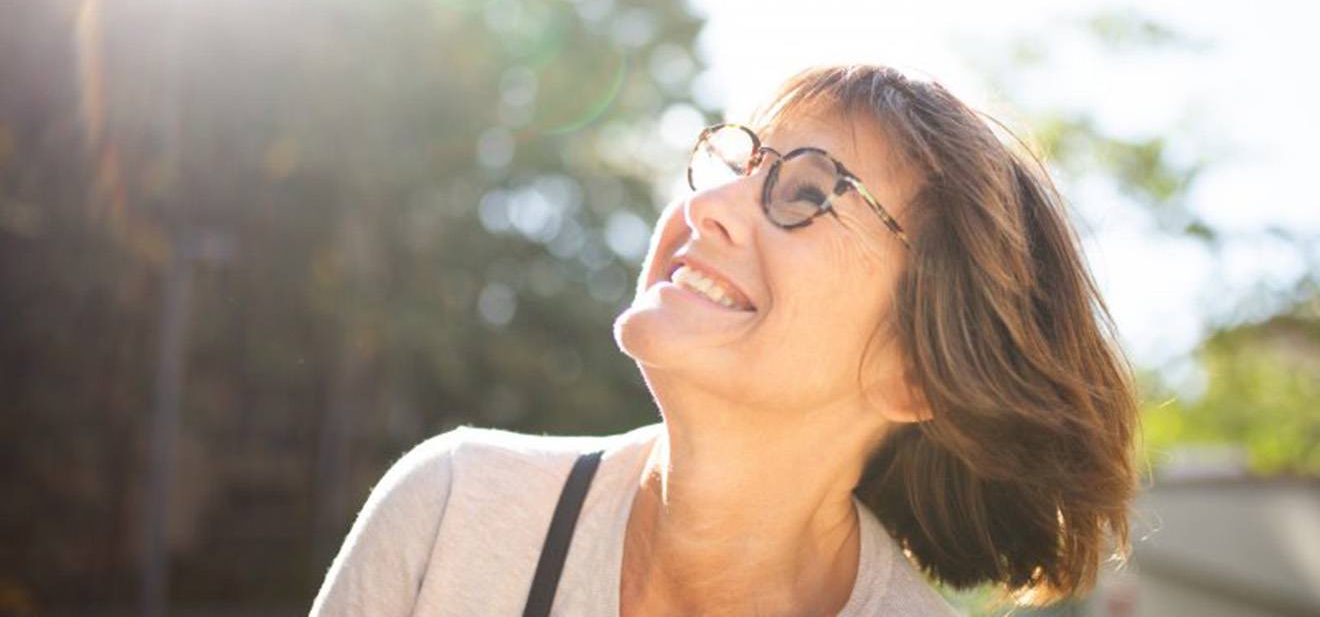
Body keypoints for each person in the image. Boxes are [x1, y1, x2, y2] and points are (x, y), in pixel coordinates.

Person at [310, 64, 1139, 616]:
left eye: (810, 192)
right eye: (736, 163)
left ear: (917, 374)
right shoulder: (454, 510)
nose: (711, 207)